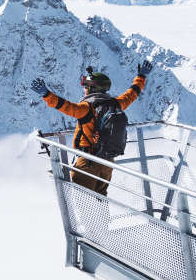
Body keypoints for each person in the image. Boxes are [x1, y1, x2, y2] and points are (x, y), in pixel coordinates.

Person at [30, 62, 151, 194]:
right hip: (108, 162)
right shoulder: (117, 104)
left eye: (86, 86)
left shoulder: (86, 108)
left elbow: (64, 106)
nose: (84, 89)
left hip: (88, 162)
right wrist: (141, 76)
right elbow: (132, 93)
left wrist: (46, 94)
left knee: (83, 201)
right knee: (100, 198)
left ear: (93, 89)